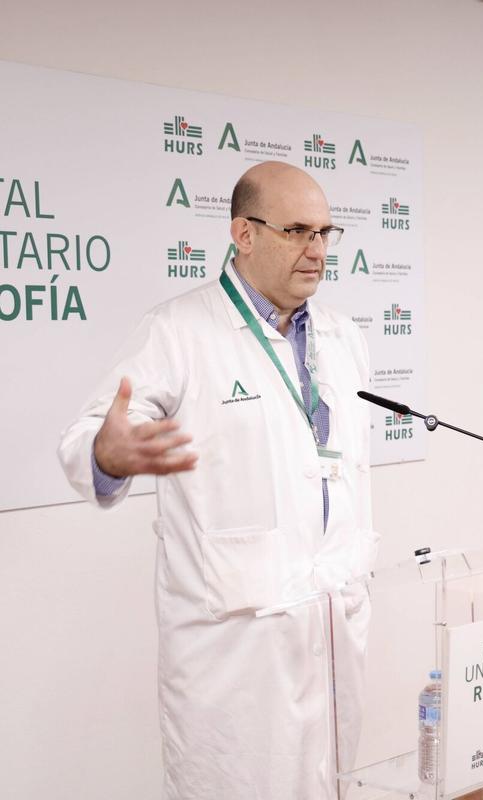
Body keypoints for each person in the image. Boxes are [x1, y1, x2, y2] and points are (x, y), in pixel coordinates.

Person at [57, 162, 377, 800]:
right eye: (297, 231)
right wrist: (109, 454)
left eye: (324, 232)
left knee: (332, 781)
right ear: (244, 233)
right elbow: (91, 434)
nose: (317, 250)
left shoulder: (343, 337)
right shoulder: (177, 330)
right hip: (233, 639)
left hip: (332, 620)